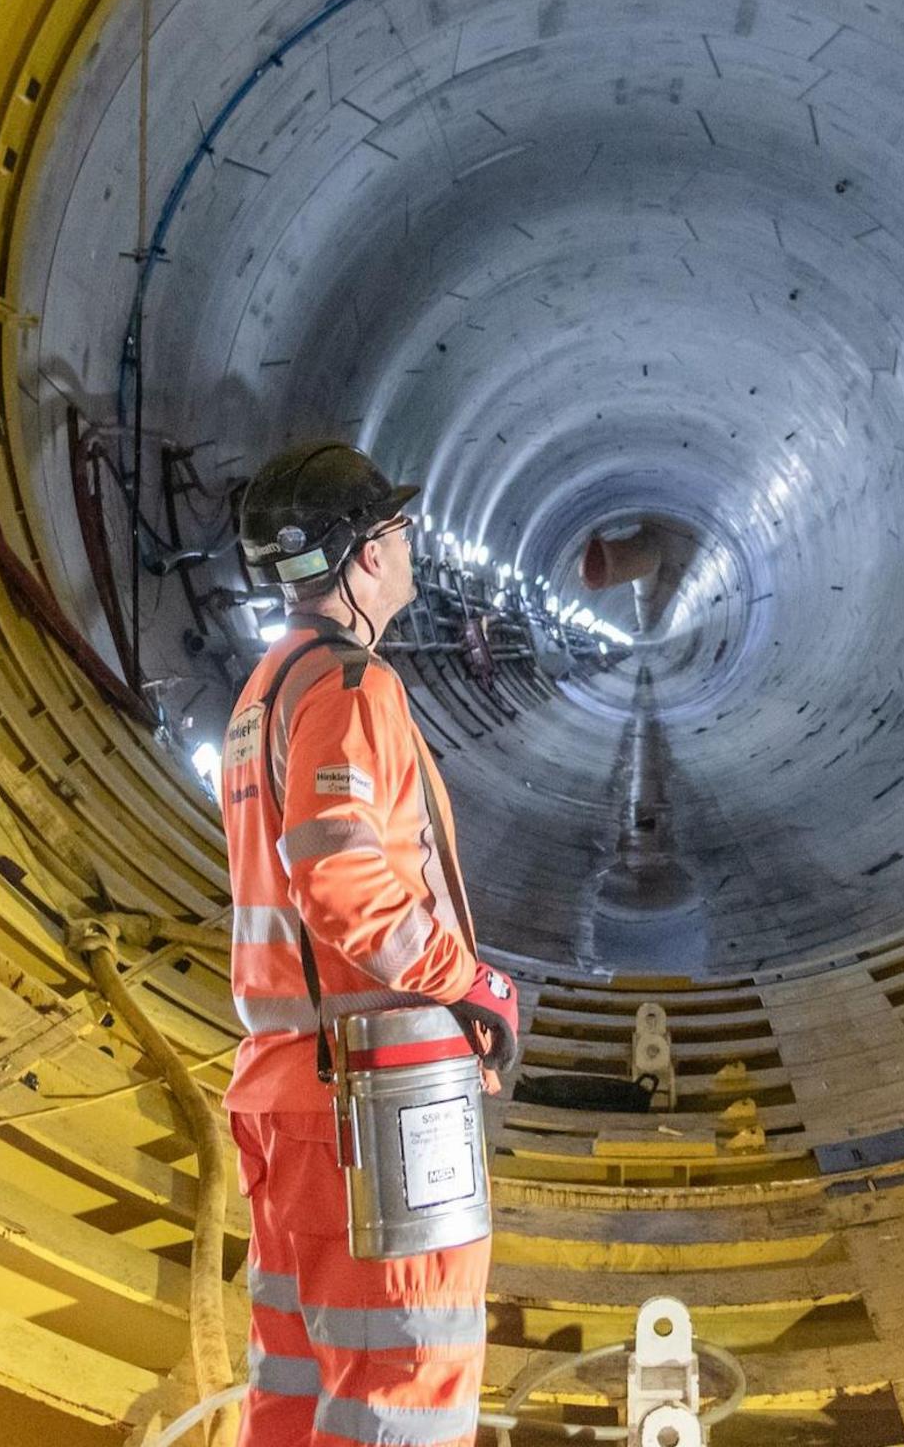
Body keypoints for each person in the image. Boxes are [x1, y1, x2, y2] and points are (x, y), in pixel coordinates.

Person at [221, 440, 524, 1447]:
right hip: (371, 1106)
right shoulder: (351, 689)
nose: (408, 548)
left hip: (285, 1092)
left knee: (299, 1381)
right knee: (404, 1386)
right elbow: (344, 876)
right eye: (394, 532)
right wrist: (469, 983)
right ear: (357, 557)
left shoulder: (264, 690)